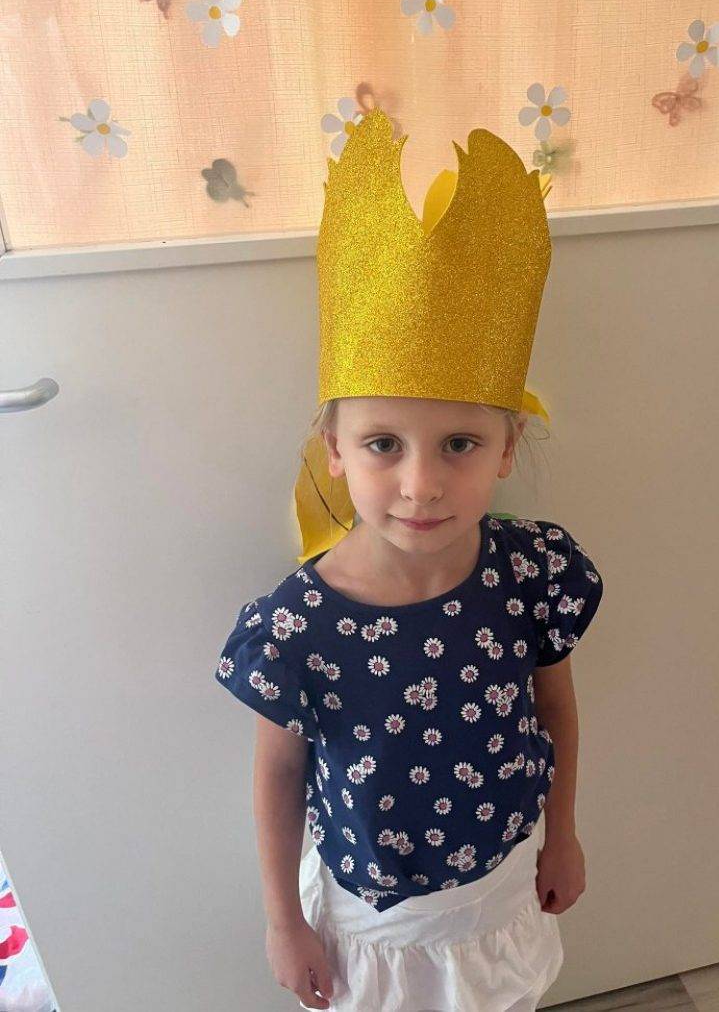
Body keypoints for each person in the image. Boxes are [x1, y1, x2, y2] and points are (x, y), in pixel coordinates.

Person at [214, 108, 605, 1012]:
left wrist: (564, 833)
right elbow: (278, 776)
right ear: (335, 448)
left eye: (459, 444)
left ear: (507, 449)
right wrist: (283, 921)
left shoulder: (530, 575)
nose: (421, 486)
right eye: (383, 443)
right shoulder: (296, 626)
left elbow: (555, 709)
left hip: (503, 887)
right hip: (373, 923)